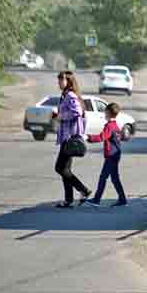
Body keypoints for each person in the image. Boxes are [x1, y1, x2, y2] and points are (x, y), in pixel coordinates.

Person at [52, 71, 91, 208]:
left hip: (70, 137)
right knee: (65, 169)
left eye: (61, 80)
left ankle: (83, 190)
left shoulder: (70, 95)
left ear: (68, 81)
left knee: (60, 168)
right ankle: (68, 200)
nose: (59, 82)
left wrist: (62, 116)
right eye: (59, 80)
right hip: (66, 137)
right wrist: (58, 115)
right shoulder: (64, 95)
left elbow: (77, 112)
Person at [85, 102, 128, 207]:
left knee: (103, 177)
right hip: (115, 155)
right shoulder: (115, 125)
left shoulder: (109, 126)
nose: (104, 114)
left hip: (111, 156)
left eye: (105, 112)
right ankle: (122, 200)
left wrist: (88, 138)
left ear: (108, 113)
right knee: (114, 178)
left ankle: (96, 199)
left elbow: (101, 137)